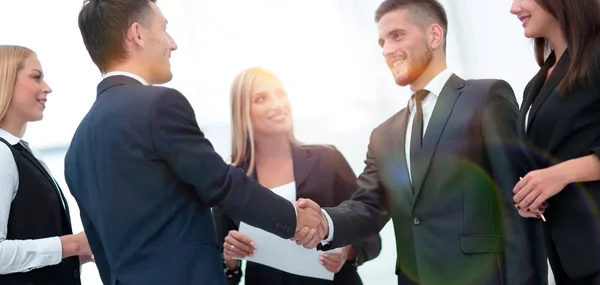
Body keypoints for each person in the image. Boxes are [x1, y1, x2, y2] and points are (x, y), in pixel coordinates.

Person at [65, 1, 325, 285]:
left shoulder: (77, 146)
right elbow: (221, 184)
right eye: (164, 29)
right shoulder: (159, 105)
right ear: (137, 34)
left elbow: (101, 246)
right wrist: (296, 219)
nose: (172, 44)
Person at [297, 0, 547, 284]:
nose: (387, 50)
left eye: (397, 35)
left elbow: (520, 204)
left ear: (434, 36)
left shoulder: (486, 97)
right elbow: (367, 205)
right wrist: (324, 221)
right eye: (382, 42)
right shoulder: (384, 135)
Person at [212, 67, 381, 285]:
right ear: (242, 111)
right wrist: (230, 259)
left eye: (280, 93)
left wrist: (346, 252)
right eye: (261, 98)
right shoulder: (229, 181)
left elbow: (370, 233)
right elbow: (219, 271)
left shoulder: (327, 158)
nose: (277, 104)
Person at [510, 0, 600, 284]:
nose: (513, 8)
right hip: (569, 258)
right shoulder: (538, 81)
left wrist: (560, 175)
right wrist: (531, 195)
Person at [0, 45, 93, 284]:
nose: (47, 88)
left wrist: (79, 253)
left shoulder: (25, 153)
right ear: (6, 80)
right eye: (36, 77)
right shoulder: (2, 154)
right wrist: (72, 244)